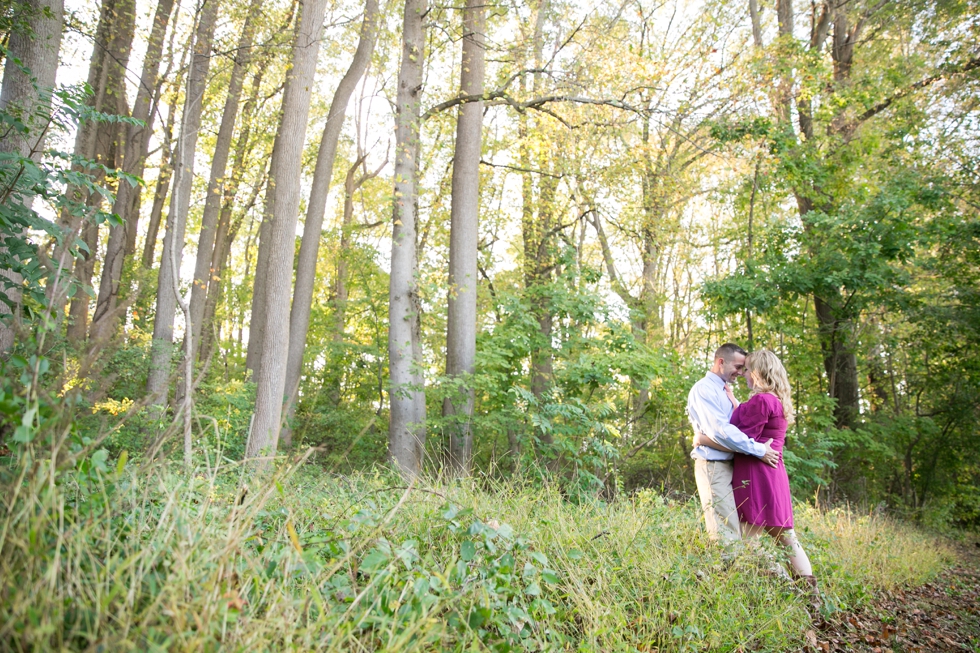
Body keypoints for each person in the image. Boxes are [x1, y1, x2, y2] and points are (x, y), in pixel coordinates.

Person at [693, 349, 820, 607]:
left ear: (759, 372)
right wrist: (737, 404)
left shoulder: (761, 402)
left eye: (748, 369)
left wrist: (702, 438)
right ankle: (809, 598)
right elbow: (753, 428)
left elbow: (737, 434)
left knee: (750, 539)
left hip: (757, 473)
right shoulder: (774, 399)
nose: (744, 374)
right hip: (773, 473)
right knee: (784, 534)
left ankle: (777, 595)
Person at [688, 343, 780, 544]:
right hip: (715, 466)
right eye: (738, 367)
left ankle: (748, 572)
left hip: (734, 466)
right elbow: (723, 432)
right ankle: (726, 573)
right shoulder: (704, 389)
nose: (741, 373)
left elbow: (738, 426)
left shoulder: (725, 391)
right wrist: (759, 450)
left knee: (742, 529)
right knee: (725, 531)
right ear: (721, 362)